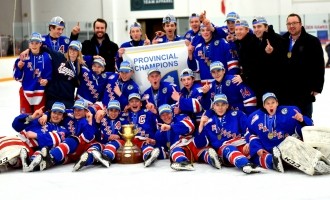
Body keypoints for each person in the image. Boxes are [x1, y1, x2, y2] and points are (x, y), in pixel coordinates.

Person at [247, 92, 313, 173]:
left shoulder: (290, 112)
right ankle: (274, 162)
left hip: (286, 149)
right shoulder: (255, 117)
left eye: (273, 102)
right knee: (256, 157)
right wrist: (255, 147)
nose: (271, 105)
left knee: (297, 142)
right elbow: (250, 134)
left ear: (277, 103)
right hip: (267, 149)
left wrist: (302, 120)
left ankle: (307, 158)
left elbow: (309, 127)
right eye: (267, 103)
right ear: (264, 106)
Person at [195, 94, 262, 174]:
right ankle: (245, 164)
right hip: (225, 151)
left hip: (243, 145)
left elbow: (249, 129)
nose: (220, 108)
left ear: (227, 105)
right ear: (214, 106)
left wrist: (249, 142)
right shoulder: (209, 122)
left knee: (259, 154)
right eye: (217, 105)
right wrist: (201, 124)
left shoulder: (238, 114)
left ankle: (274, 162)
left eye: (223, 104)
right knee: (228, 148)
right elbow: (199, 144)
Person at [26, 99, 95, 172]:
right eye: (75, 109)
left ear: (86, 111)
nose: (77, 112)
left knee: (72, 139)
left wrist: (90, 121)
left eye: (80, 110)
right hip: (61, 140)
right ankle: (33, 161)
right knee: (47, 146)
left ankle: (50, 158)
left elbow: (88, 137)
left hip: (72, 146)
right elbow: (56, 111)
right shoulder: (69, 113)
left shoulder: (86, 122)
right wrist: (46, 115)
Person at [0, 102, 68, 172]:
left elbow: (54, 140)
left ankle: (13, 161)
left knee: (19, 153)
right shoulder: (38, 120)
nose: (56, 115)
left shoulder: (61, 129)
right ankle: (11, 160)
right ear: (50, 113)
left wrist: (36, 136)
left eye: (59, 114)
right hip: (17, 139)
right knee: (4, 140)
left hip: (28, 148)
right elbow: (16, 125)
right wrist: (32, 117)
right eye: (54, 112)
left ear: (63, 117)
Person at [282, 13, 325, 118]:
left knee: (305, 121)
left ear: (300, 24)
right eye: (289, 24)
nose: (291, 26)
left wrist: (317, 87)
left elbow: (319, 65)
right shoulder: (282, 40)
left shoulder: (312, 41)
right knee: (288, 121)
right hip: (286, 89)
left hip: (304, 89)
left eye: (294, 23)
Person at [155, 104, 221, 171]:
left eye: (168, 113)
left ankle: (213, 160)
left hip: (191, 143)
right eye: (163, 115)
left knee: (202, 152)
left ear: (172, 113)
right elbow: (164, 149)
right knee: (175, 151)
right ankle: (184, 162)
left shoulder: (181, 117)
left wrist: (171, 127)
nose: (166, 116)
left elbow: (190, 126)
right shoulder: (159, 132)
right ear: (160, 117)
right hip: (181, 149)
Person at [72, 100, 129, 171]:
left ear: (119, 111)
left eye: (116, 111)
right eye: (111, 110)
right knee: (95, 147)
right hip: (104, 143)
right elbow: (98, 137)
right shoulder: (102, 119)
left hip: (118, 143)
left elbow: (128, 136)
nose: (113, 113)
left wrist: (119, 136)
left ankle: (106, 157)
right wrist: (98, 122)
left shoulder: (124, 121)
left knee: (111, 145)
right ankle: (85, 160)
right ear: (107, 111)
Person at [250, 16, 287, 106]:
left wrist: (272, 53)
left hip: (275, 86)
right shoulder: (255, 40)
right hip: (260, 86)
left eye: (259, 27)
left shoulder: (278, 39)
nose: (256, 30)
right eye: (254, 27)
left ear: (266, 27)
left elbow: (283, 63)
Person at [13, 32, 52, 114]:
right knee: (25, 118)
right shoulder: (23, 57)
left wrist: (47, 81)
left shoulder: (46, 57)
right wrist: (19, 68)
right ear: (29, 44)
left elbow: (50, 75)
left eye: (37, 43)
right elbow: (16, 77)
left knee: (38, 118)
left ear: (40, 44)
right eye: (32, 43)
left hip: (41, 92)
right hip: (25, 91)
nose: (34, 45)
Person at [122, 93, 160, 167]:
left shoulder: (148, 113)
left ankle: (148, 157)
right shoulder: (124, 115)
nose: (134, 103)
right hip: (130, 143)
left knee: (147, 146)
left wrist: (155, 112)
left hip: (146, 141)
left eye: (136, 101)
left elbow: (158, 124)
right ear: (129, 104)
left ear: (141, 103)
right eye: (132, 101)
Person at [45, 40, 84, 110]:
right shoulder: (59, 57)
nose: (72, 51)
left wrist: (93, 57)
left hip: (67, 100)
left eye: (75, 50)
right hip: (53, 98)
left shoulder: (79, 66)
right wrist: (28, 50)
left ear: (79, 52)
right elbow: (46, 49)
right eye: (71, 48)